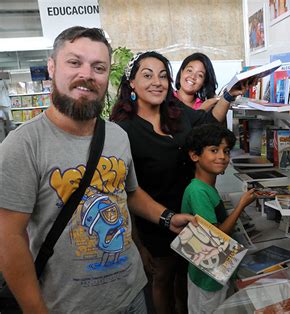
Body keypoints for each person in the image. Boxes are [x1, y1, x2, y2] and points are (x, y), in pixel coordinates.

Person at [0, 26, 194, 313]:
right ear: (52, 67)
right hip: (67, 305)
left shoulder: (117, 136)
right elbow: (8, 238)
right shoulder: (23, 144)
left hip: (132, 294)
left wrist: (167, 218)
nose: (87, 75)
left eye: (99, 67)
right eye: (74, 62)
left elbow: (129, 192)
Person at [110, 51, 251, 314]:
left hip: (193, 213)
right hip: (155, 220)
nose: (157, 82)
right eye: (147, 75)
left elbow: (210, 121)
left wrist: (230, 96)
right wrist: (137, 243)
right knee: (162, 277)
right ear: (132, 83)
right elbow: (124, 191)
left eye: (163, 75)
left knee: (192, 279)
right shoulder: (123, 130)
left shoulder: (177, 113)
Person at [181, 123, 256, 314]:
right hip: (207, 278)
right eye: (214, 150)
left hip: (217, 270)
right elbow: (216, 236)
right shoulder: (198, 191)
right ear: (194, 155)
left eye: (226, 151)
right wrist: (241, 205)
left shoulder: (206, 187)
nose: (222, 156)